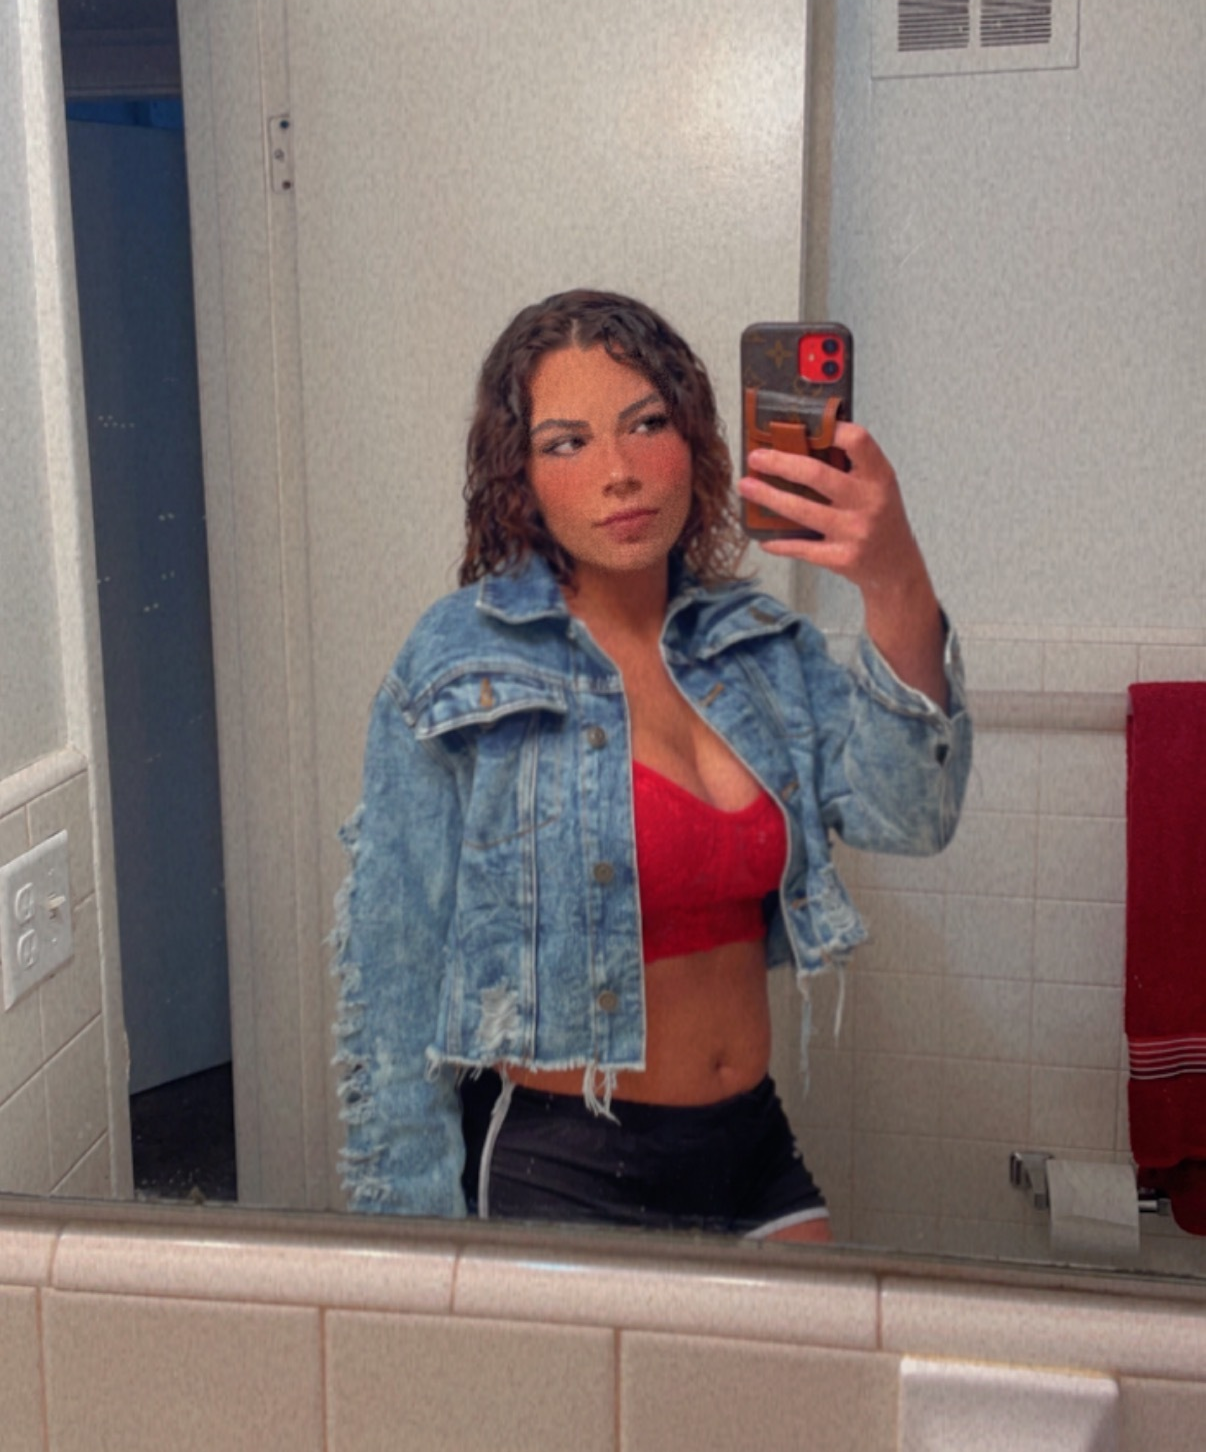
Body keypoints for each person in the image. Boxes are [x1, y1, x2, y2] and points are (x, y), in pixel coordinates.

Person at [332, 289, 971, 1238]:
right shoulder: (458, 664)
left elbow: (911, 816)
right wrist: (411, 1250)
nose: (620, 472)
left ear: (695, 441)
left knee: (817, 1343)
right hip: (564, 1163)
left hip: (749, 1146)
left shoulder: (756, 646)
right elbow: (393, 979)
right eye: (567, 443)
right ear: (520, 477)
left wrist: (895, 576)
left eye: (647, 425)